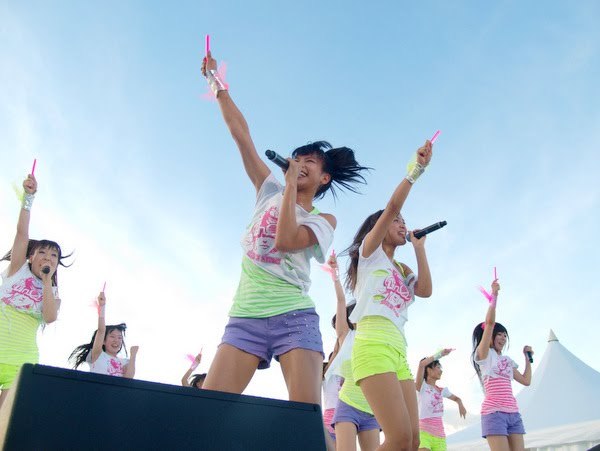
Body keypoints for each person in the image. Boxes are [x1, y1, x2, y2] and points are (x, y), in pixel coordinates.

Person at [344, 140, 433, 450]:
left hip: (399, 350)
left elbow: (425, 291)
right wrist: (415, 171)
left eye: (404, 222)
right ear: (379, 227)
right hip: (373, 345)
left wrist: (419, 248)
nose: (402, 223)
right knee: (397, 438)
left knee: (413, 440)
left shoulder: (401, 267)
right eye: (397, 221)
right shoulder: (370, 254)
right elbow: (392, 207)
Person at [0, 173, 70, 408]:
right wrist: (28, 198)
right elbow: (22, 234)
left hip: (22, 361)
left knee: (4, 420)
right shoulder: (17, 269)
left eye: (53, 255)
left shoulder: (54, 293)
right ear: (31, 257)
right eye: (42, 252)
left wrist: (47, 282)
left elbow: (49, 317)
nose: (47, 257)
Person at [324, 253, 380, 451]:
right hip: (348, 404)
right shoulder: (346, 336)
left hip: (371, 408)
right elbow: (341, 301)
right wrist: (335, 275)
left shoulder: (375, 339)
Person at [472, 279, 532, 450]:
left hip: (513, 413)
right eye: (499, 334)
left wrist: (527, 358)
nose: (503, 338)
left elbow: (526, 381)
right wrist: (494, 295)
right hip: (494, 413)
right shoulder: (484, 355)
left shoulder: (507, 360)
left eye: (505, 335)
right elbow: (490, 323)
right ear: (490, 336)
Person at [69, 291, 138, 378]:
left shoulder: (125, 362)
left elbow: (129, 378)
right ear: (104, 341)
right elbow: (101, 330)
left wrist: (133, 355)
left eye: (119, 338)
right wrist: (102, 306)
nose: (116, 340)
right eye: (112, 336)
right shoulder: (98, 355)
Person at [415, 349, 466, 451]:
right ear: (429, 370)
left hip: (440, 436)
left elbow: (456, 398)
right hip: (424, 433)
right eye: (438, 367)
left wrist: (460, 404)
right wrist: (440, 354)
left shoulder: (441, 390)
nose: (441, 371)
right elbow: (422, 364)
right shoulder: (422, 387)